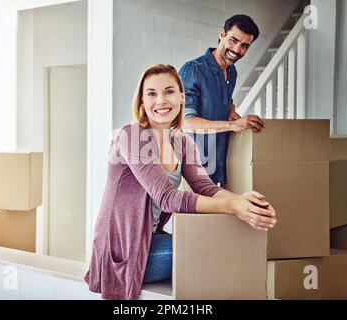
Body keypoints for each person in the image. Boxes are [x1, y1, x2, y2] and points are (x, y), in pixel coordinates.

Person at [84, 64, 277, 300]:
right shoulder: (131, 136)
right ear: (142, 102)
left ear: (181, 97)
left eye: (169, 91)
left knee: (226, 236)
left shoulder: (182, 142)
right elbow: (168, 198)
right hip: (123, 250)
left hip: (153, 240)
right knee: (215, 244)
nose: (161, 101)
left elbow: (205, 187)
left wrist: (240, 200)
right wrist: (232, 206)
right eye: (152, 94)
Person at [179, 14, 264, 185]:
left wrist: (231, 110)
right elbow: (186, 122)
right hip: (193, 169)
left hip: (218, 165)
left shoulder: (232, 72)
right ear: (222, 34)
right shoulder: (193, 70)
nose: (237, 50)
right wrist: (233, 125)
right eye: (233, 40)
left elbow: (222, 100)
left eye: (244, 46)